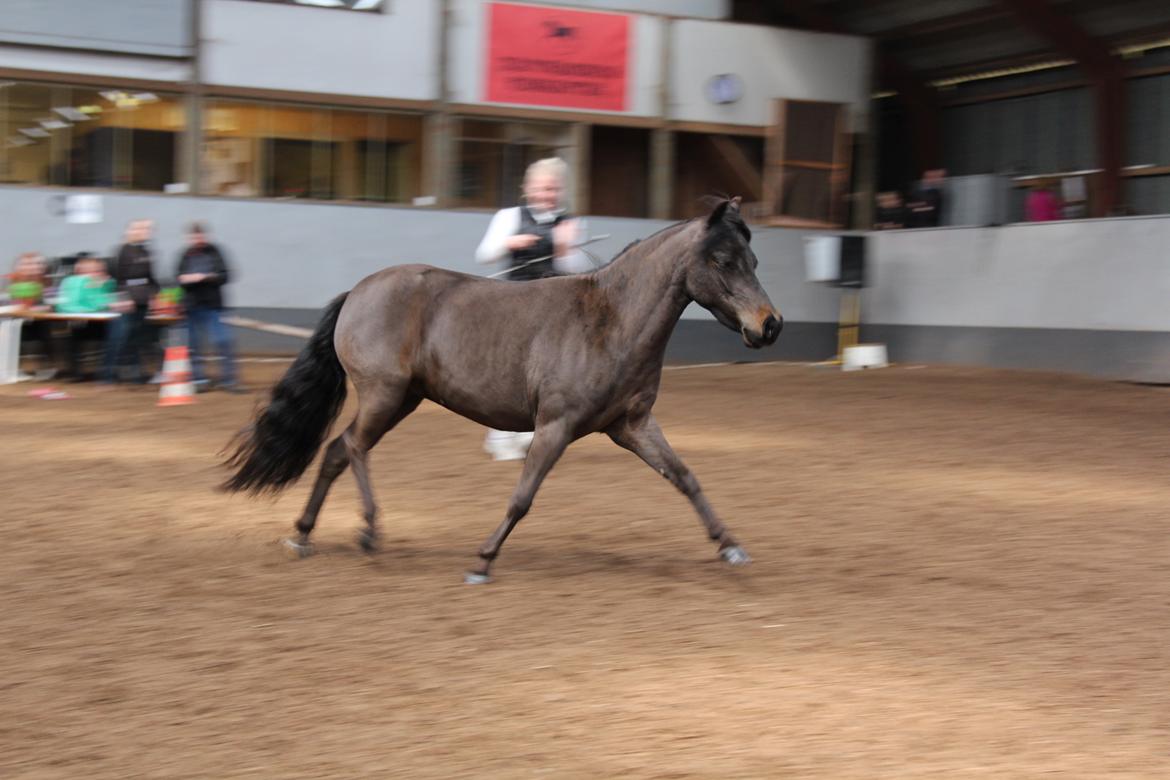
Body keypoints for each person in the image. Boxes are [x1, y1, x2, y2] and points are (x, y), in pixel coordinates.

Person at [474, 157, 590, 460]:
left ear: (561, 190)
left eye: (553, 189)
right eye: (541, 188)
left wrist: (564, 249)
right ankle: (500, 436)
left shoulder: (570, 223)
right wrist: (509, 242)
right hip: (513, 305)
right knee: (509, 372)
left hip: (553, 310)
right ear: (528, 189)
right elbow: (484, 254)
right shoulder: (509, 216)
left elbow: (581, 269)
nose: (546, 195)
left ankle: (529, 432)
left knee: (549, 373)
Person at [177, 222, 243, 393]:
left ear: (205, 236)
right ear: (189, 238)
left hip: (214, 306)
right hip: (192, 306)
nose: (197, 239)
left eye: (200, 236)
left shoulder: (215, 252)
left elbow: (225, 276)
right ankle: (199, 380)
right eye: (194, 237)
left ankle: (229, 380)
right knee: (195, 345)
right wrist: (185, 279)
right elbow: (177, 277)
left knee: (223, 341)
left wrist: (205, 277)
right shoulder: (185, 255)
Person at [109, 219, 160, 383]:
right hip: (128, 302)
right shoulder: (123, 251)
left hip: (143, 301)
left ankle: (137, 373)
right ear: (132, 231)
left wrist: (155, 294)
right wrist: (126, 297)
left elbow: (150, 278)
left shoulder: (146, 252)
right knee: (123, 338)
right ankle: (111, 374)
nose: (147, 231)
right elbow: (119, 279)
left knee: (139, 337)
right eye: (142, 228)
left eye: (148, 228)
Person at [56, 255, 115, 381]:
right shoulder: (72, 282)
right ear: (79, 272)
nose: (94, 274)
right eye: (90, 271)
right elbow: (65, 305)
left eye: (98, 270)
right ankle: (76, 371)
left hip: (100, 323)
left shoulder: (104, 283)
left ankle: (100, 371)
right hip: (77, 322)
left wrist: (102, 287)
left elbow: (108, 302)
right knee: (74, 332)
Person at [5, 252, 59, 379]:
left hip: (39, 319)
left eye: (34, 264)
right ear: (19, 267)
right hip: (16, 318)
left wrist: (45, 307)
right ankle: (12, 368)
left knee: (45, 331)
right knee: (11, 332)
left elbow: (52, 301)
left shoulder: (46, 281)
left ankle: (48, 368)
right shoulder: (11, 280)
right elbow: (5, 300)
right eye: (26, 264)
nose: (30, 267)